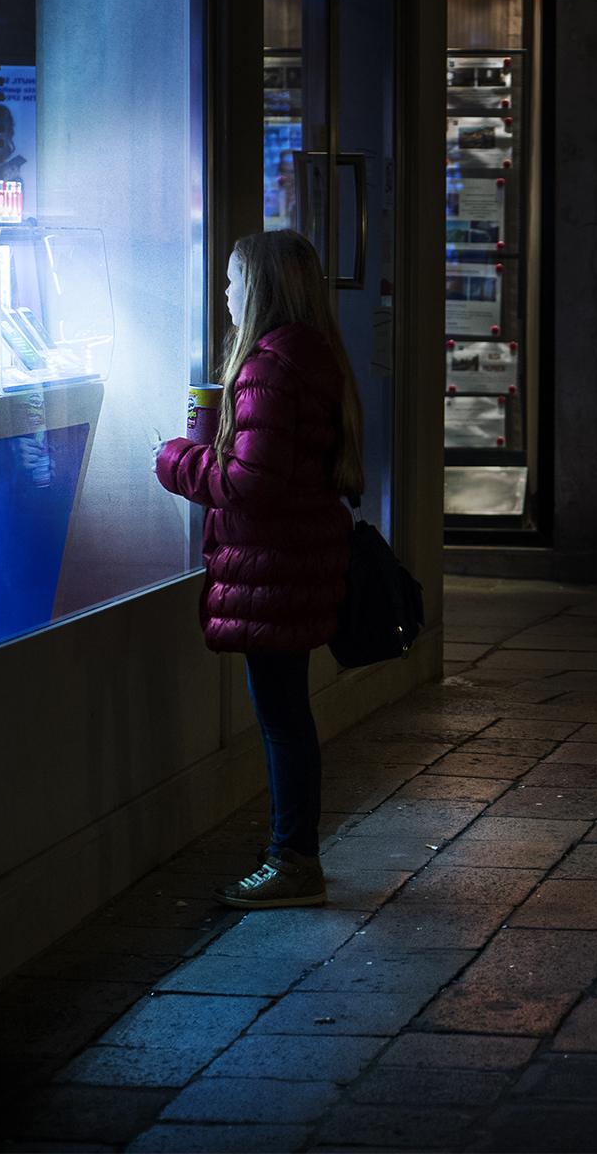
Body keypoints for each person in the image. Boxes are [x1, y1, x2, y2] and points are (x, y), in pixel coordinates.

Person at [154, 229, 361, 908]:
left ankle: (294, 861)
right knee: (287, 711)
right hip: (295, 558)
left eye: (232, 279)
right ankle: (295, 855)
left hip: (272, 565)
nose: (224, 292)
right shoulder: (312, 355)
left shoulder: (268, 367)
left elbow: (251, 481)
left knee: (281, 717)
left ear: (260, 288)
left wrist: (175, 459)